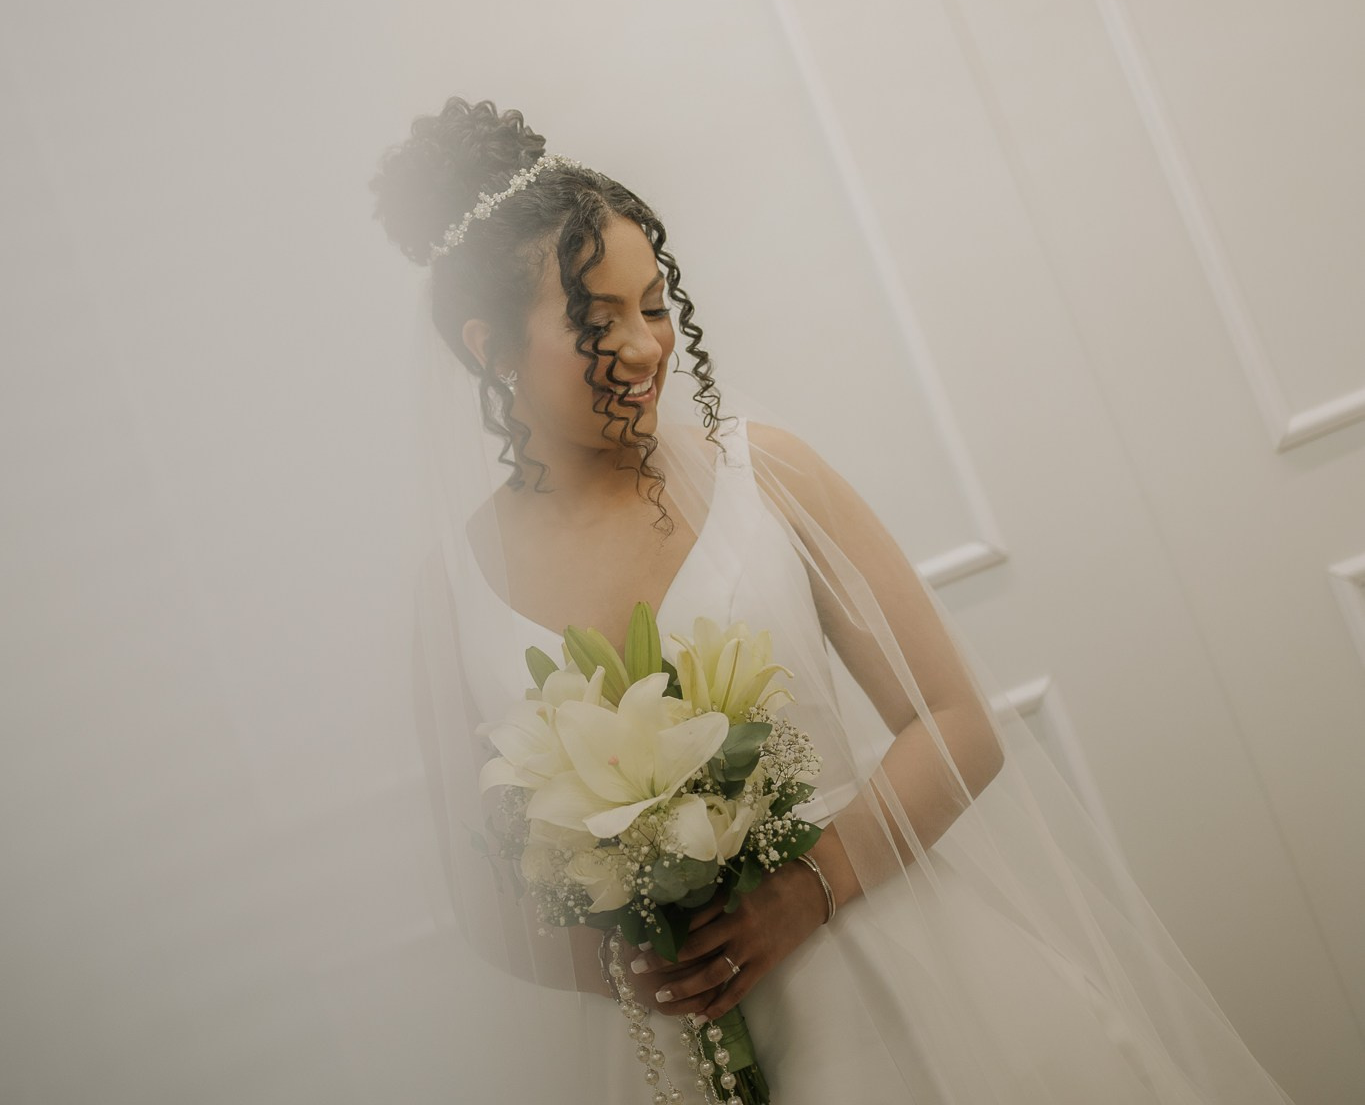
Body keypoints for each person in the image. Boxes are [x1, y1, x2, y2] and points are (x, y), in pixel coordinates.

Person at [372, 95, 1297, 1104]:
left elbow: (955, 721)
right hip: (673, 1045)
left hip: (898, 978)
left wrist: (808, 888)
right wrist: (635, 964)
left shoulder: (767, 475)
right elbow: (484, 897)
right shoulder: (453, 594)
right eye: (599, 319)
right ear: (488, 345)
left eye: (655, 305)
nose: (645, 347)